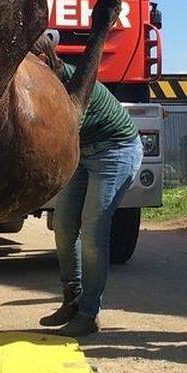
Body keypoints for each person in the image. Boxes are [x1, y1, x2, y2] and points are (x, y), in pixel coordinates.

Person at [33, 34, 143, 337]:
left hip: (115, 150)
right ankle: (73, 298)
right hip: (85, 151)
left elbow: (55, 134)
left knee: (94, 231)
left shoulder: (67, 84)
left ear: (42, 59)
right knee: (65, 226)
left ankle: (89, 313)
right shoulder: (42, 82)